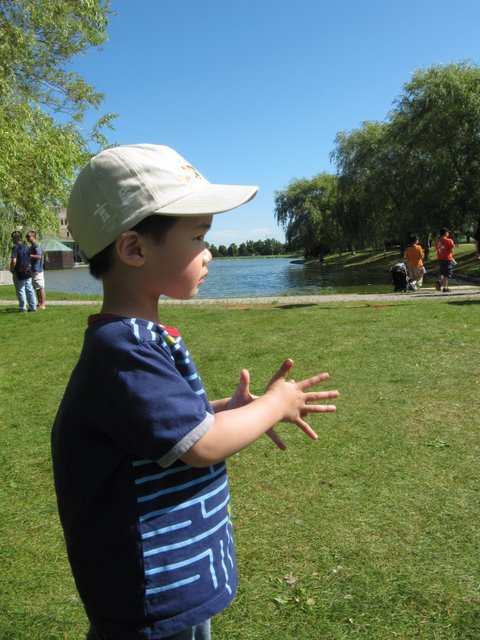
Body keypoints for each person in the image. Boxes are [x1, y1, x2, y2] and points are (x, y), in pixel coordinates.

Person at [51, 144, 340, 640]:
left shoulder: (136, 339)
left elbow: (156, 425)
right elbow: (202, 446)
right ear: (134, 249)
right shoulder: (124, 348)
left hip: (170, 574)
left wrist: (225, 409)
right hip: (151, 588)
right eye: (200, 237)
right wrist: (276, 403)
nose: (210, 253)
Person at [10, 231, 37, 312]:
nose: (12, 240)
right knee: (29, 289)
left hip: (19, 271)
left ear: (16, 238)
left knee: (20, 289)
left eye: (12, 238)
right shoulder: (26, 247)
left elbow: (14, 260)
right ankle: (33, 307)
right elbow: (29, 258)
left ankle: (23, 308)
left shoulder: (15, 248)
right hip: (27, 270)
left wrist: (11, 268)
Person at [26, 230, 46, 309]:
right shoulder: (32, 246)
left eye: (28, 236)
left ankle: (43, 304)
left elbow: (39, 256)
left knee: (40, 287)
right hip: (34, 269)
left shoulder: (36, 245)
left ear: (33, 237)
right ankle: (39, 303)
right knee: (37, 287)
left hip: (38, 269)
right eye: (26, 237)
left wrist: (29, 255)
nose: (27, 238)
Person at [434, 227, 455, 293]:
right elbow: (452, 250)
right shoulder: (449, 240)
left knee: (442, 272)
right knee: (447, 274)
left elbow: (437, 249)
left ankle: (439, 280)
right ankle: (445, 288)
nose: (448, 233)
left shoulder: (437, 241)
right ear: (445, 233)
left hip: (440, 259)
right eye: (448, 232)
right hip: (447, 259)